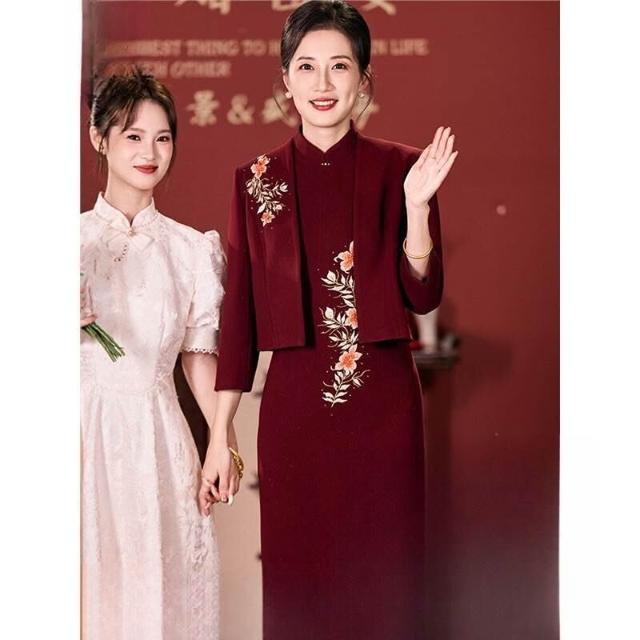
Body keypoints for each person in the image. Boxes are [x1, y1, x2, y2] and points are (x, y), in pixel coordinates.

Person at [200, 1, 458, 637]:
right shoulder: (255, 180)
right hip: (295, 419)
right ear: (285, 80)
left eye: (339, 66)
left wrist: (416, 210)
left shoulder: (405, 170)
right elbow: (240, 317)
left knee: (386, 589)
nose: (322, 83)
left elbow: (423, 295)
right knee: (301, 594)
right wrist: (219, 433)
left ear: (363, 80)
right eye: (306, 67)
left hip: (384, 413)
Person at [80, 67, 237, 640]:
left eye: (162, 138)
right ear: (99, 139)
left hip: (158, 441)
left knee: (159, 597)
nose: (149, 152)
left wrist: (221, 442)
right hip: (79, 436)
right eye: (133, 136)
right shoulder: (62, 243)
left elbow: (198, 355)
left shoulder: (190, 250)